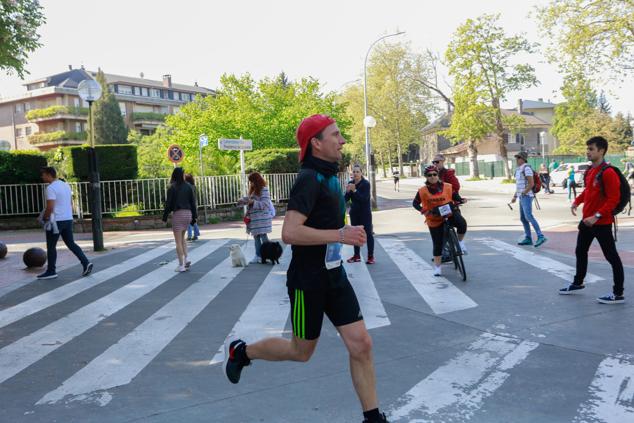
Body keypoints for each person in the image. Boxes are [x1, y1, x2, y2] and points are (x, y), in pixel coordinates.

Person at [224, 114, 389, 423]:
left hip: (334, 274)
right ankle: (242, 353)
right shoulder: (308, 179)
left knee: (362, 344)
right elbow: (290, 233)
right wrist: (340, 234)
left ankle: (373, 418)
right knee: (302, 351)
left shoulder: (330, 177)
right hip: (308, 280)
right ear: (316, 142)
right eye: (335, 135)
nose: (342, 141)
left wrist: (344, 232)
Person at [560, 136, 625, 304]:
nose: (587, 152)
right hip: (587, 222)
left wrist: (596, 216)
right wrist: (577, 201)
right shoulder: (590, 170)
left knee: (611, 256)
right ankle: (578, 282)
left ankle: (618, 294)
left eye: (591, 149)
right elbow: (588, 192)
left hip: (601, 223)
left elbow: (614, 199)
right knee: (580, 251)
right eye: (587, 149)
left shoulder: (608, 172)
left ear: (601, 151)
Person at [37, 167, 93, 280]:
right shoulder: (65, 185)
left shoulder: (51, 188)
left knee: (51, 246)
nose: (42, 177)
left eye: (43, 175)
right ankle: (86, 263)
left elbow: (50, 206)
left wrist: (45, 217)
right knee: (71, 243)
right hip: (68, 219)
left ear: (48, 174)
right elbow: (69, 202)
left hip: (55, 220)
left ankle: (51, 271)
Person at [413, 164, 467, 276]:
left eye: (434, 174)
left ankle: (460, 243)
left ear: (438, 175)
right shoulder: (422, 191)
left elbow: (455, 196)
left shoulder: (447, 186)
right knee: (437, 244)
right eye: (429, 175)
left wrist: (461, 200)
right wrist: (424, 211)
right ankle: (437, 268)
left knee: (462, 224)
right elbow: (415, 203)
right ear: (426, 177)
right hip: (434, 218)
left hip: (449, 213)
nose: (432, 177)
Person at [162, 167, 197, 272]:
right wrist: (194, 217)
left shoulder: (172, 188)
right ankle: (186, 259)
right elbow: (193, 203)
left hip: (178, 214)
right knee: (182, 239)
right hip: (188, 214)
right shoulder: (188, 187)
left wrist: (164, 217)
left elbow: (168, 204)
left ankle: (181, 265)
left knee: (178, 242)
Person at [511, 152, 547, 247]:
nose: (516, 159)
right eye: (516, 157)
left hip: (527, 196)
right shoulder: (519, 169)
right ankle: (528, 238)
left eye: (518, 157)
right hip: (521, 196)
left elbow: (531, 184)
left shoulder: (527, 168)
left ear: (523, 159)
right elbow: (519, 185)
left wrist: (524, 193)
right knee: (523, 218)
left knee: (529, 216)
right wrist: (515, 196)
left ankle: (540, 236)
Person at [345, 164, 375, 264]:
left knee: (368, 234)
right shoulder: (351, 183)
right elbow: (346, 199)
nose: (355, 173)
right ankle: (356, 256)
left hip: (365, 213)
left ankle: (370, 257)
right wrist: (347, 192)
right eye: (354, 172)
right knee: (355, 235)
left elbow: (363, 199)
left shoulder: (366, 184)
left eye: (357, 171)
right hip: (354, 213)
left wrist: (354, 190)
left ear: (361, 173)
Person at [241, 172, 273, 264]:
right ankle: (258, 255)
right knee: (256, 237)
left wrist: (252, 202)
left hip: (262, 219)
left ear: (257, 181)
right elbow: (249, 199)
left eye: (252, 181)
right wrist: (242, 201)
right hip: (254, 219)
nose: (251, 184)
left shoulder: (264, 190)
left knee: (263, 236)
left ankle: (269, 254)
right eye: (250, 182)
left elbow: (265, 204)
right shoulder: (254, 190)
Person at [184, 174, 201, 241]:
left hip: (189, 205)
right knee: (193, 220)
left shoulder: (187, 186)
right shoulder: (193, 186)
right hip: (194, 205)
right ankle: (196, 234)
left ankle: (190, 236)